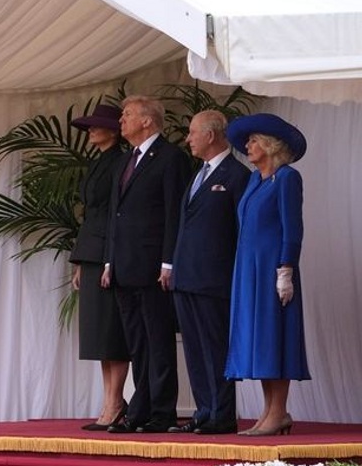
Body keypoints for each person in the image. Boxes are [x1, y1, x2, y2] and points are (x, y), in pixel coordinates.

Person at [104, 95, 189, 434]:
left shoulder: (170, 158)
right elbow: (116, 215)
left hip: (154, 266)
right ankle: (141, 408)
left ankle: (162, 411)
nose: (121, 120)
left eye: (127, 114)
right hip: (124, 265)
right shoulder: (126, 160)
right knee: (138, 343)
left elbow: (173, 213)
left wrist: (169, 262)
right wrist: (109, 261)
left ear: (147, 120)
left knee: (158, 339)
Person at [224, 113, 309, 436]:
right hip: (248, 269)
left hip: (273, 267)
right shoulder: (254, 180)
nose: (247, 146)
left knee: (275, 335)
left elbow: (293, 228)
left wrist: (286, 269)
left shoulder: (287, 178)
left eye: (253, 141)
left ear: (270, 145)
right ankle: (270, 410)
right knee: (257, 339)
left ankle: (278, 411)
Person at [168, 110, 249, 435]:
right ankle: (204, 411)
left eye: (192, 132)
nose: (187, 138)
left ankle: (221, 414)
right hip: (187, 276)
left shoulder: (237, 175)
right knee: (195, 349)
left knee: (215, 347)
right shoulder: (198, 174)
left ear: (211, 135)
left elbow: (241, 231)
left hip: (215, 278)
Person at [67, 103, 130, 431]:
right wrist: (80, 260)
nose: (90, 130)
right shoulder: (98, 163)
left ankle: (115, 402)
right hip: (91, 252)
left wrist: (109, 258)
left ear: (114, 131)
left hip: (109, 252)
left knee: (111, 331)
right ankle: (109, 401)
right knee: (97, 336)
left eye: (97, 125)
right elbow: (90, 215)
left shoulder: (122, 162)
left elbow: (117, 216)